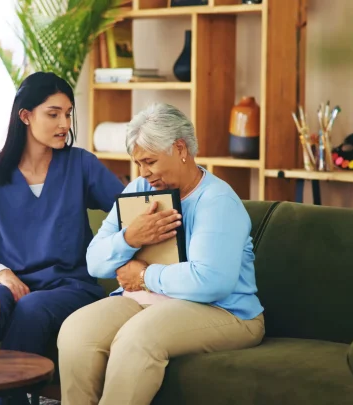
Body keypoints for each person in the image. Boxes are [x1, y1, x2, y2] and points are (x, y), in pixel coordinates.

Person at [57, 103, 265, 405]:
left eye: (149, 161)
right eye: (138, 163)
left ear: (180, 148)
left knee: (136, 339)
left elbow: (209, 281)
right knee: (77, 331)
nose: (143, 173)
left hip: (226, 311)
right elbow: (95, 262)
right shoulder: (140, 189)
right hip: (149, 302)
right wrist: (130, 238)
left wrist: (143, 276)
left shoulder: (217, 201)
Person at [0, 72, 126, 405]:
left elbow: (127, 209)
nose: (64, 123)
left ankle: (7, 401)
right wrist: (2, 273)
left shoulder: (80, 165)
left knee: (31, 307)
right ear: (25, 116)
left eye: (69, 113)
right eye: (53, 113)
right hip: (10, 282)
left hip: (69, 287)